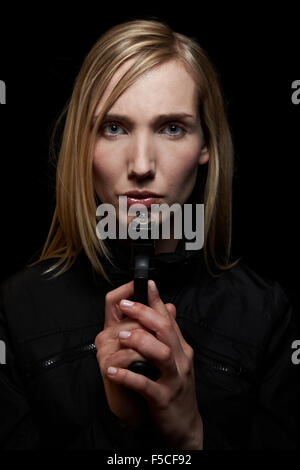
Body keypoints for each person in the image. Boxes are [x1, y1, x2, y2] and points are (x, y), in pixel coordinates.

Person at [0, 19, 299, 450]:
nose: (141, 165)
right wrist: (118, 425)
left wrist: (190, 435)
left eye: (171, 128)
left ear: (205, 146)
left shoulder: (266, 314)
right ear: (82, 145)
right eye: (114, 127)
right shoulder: (15, 310)